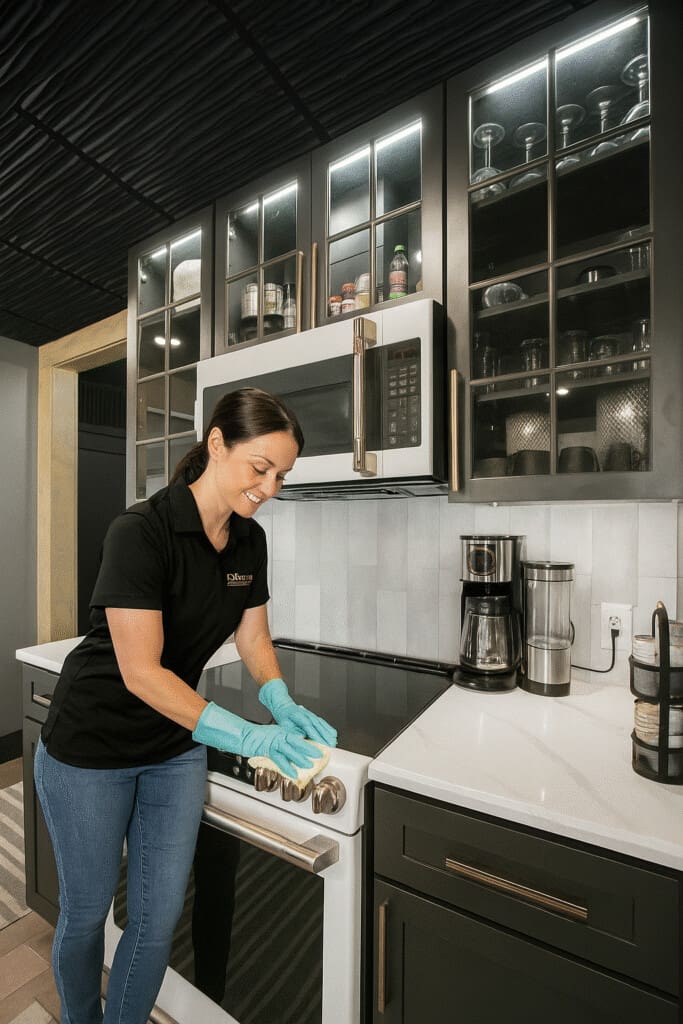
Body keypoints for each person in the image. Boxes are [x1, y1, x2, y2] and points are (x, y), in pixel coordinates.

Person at [34, 386, 337, 1024]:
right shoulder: (140, 531)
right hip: (90, 747)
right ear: (216, 444)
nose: (271, 488)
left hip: (172, 749)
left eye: (282, 475)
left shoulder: (248, 543)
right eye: (261, 468)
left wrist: (276, 695)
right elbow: (141, 672)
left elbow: (252, 635)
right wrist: (246, 737)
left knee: (155, 919)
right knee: (87, 914)